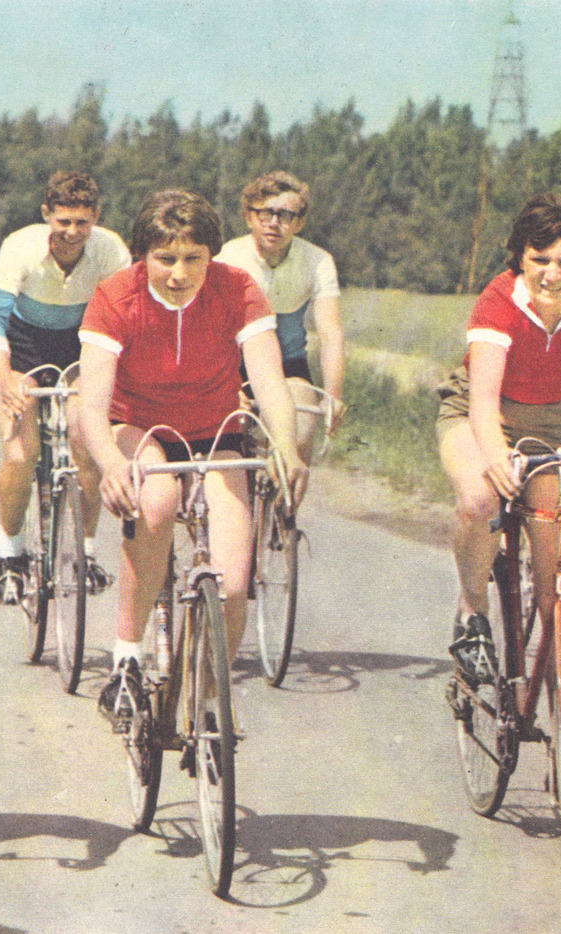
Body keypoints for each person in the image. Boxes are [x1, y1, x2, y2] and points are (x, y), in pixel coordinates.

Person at [76, 189, 305, 718]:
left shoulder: (238, 288)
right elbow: (92, 402)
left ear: (212, 256)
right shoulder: (115, 296)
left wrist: (286, 446)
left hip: (215, 429)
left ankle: (204, 699)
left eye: (193, 259)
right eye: (165, 259)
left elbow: (270, 380)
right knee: (156, 501)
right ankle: (128, 659)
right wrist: (112, 464)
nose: (179, 273)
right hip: (138, 425)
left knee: (231, 583)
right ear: (143, 257)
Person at [438, 194, 561, 684]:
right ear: (519, 257)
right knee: (479, 498)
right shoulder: (498, 300)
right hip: (482, 411)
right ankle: (474, 617)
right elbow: (483, 400)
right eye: (539, 260)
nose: (552, 274)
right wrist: (496, 456)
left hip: (559, 418)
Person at [0, 171, 130, 603]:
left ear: (95, 218)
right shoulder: (20, 246)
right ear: (46, 214)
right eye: (63, 220)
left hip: (80, 346)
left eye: (82, 222)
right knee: (20, 454)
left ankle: (84, 553)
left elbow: (125, 316)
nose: (71, 232)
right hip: (22, 348)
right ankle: (10, 556)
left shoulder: (110, 249)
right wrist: (4, 373)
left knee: (87, 442)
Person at [217, 171, 346, 462]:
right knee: (229, 442)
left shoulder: (318, 261)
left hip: (289, 366)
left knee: (301, 434)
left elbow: (331, 334)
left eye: (286, 215)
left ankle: (285, 506)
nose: (274, 223)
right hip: (233, 367)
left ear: (299, 223)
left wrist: (332, 396)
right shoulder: (227, 257)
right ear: (249, 217)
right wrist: (226, 384)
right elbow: (209, 331)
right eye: (265, 214)